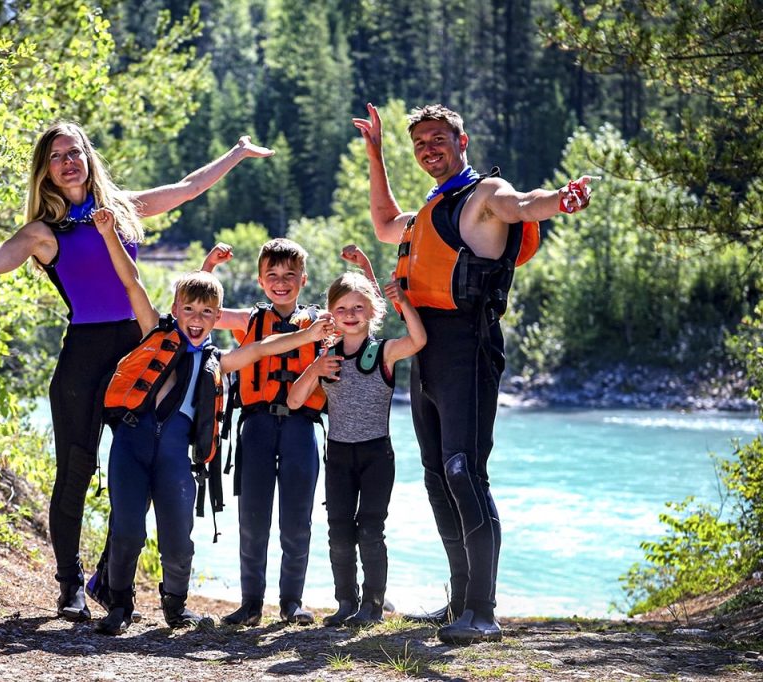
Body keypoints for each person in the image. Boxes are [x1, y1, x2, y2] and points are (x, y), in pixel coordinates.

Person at [0, 121, 274, 622]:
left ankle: (107, 577)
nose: (68, 161)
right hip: (83, 359)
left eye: (75, 152)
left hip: (137, 351)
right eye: (57, 156)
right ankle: (70, 587)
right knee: (75, 475)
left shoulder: (119, 209)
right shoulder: (43, 232)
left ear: (88, 158)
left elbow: (189, 187)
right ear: (45, 170)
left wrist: (236, 152)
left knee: (145, 464)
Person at [352, 102, 593, 644]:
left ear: (463, 141)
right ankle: (459, 602)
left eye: (438, 138)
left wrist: (563, 200)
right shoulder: (434, 206)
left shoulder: (485, 195)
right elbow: (386, 224)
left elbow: (525, 204)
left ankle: (482, 612)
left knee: (465, 472)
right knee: (438, 476)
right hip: (426, 350)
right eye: (420, 144)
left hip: (469, 347)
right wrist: (376, 153)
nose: (428, 149)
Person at [91, 209, 334, 635]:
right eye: (190, 311)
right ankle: (120, 606)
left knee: (179, 538)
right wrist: (110, 234)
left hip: (174, 456)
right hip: (132, 444)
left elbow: (261, 349)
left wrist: (307, 337)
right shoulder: (155, 331)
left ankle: (175, 607)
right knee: (127, 529)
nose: (198, 320)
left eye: (208, 314)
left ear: (216, 317)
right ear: (176, 310)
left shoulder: (218, 360)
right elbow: (132, 283)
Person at [288, 245, 426, 627]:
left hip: (376, 455)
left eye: (359, 308)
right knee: (339, 532)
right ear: (331, 314)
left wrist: (403, 303)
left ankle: (373, 605)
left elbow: (417, 341)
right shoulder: (326, 356)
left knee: (370, 529)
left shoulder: (382, 353)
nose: (350, 316)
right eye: (342, 309)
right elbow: (295, 400)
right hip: (339, 456)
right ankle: (346, 602)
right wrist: (315, 368)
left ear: (372, 312)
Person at [201, 238, 327, 626]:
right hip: (255, 427)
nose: (281, 282)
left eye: (290, 275)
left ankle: (291, 602)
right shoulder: (249, 321)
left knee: (296, 520)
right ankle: (251, 603)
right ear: (260, 280)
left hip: (301, 427)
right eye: (272, 275)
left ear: (303, 280)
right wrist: (209, 266)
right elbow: (201, 310)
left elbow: (365, 315)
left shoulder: (321, 324)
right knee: (253, 518)